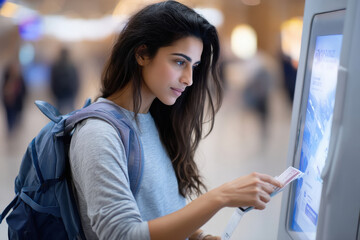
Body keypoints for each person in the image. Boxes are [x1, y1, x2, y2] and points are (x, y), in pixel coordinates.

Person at [69, 1, 282, 240]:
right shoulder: (98, 134)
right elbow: (122, 235)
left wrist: (196, 237)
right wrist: (220, 197)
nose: (189, 79)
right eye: (179, 62)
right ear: (142, 54)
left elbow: (159, 210)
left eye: (195, 65)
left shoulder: (156, 118)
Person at [50, 47, 80, 114]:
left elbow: (52, 80)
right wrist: (75, 92)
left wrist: (54, 93)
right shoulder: (72, 65)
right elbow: (76, 80)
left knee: (58, 117)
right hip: (69, 94)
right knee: (72, 116)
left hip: (60, 95)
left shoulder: (55, 65)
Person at [1, 61, 27, 135]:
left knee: (16, 115)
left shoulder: (20, 78)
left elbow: (24, 89)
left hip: (17, 101)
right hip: (8, 101)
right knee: (9, 115)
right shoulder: (6, 77)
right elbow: (3, 89)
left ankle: (14, 127)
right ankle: (10, 128)